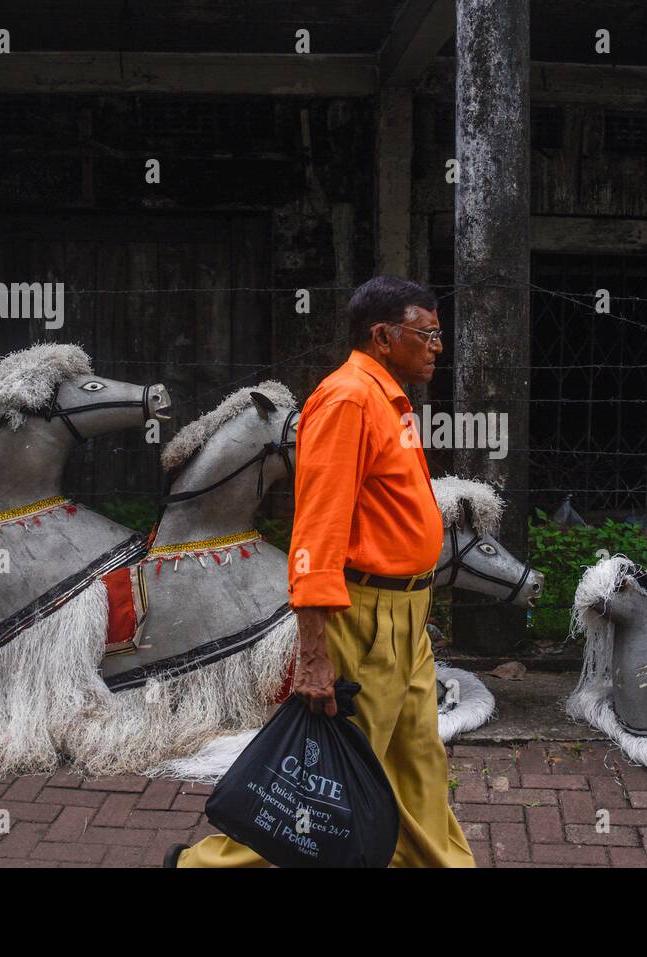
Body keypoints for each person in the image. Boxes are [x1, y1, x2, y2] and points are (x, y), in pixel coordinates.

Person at [174, 276, 475, 868]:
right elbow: (316, 531)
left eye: (439, 334)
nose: (438, 346)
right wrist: (314, 654)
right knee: (329, 773)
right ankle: (208, 866)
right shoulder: (346, 401)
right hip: (364, 617)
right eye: (427, 334)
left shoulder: (388, 398)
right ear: (383, 337)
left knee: (416, 760)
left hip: (405, 616)